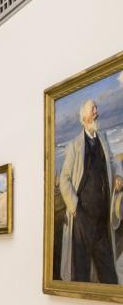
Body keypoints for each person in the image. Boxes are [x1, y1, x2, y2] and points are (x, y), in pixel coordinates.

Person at [59, 99, 123, 284]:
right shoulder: (74, 146)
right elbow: (64, 180)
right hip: (82, 219)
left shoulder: (103, 139)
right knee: (81, 273)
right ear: (84, 117)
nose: (96, 111)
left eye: (96, 108)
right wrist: (74, 207)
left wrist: (118, 175)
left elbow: (113, 161)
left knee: (109, 275)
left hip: (102, 218)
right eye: (93, 109)